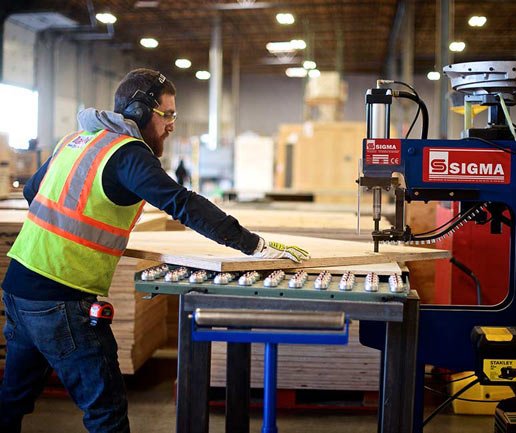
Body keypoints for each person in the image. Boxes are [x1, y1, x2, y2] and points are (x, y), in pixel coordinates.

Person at [0, 68, 309, 433]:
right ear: (139, 111)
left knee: (12, 401)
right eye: (168, 114)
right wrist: (254, 244)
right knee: (106, 413)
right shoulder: (128, 153)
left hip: (18, 287)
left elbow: (32, 192)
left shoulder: (77, 140)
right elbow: (184, 204)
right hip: (61, 298)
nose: (172, 125)